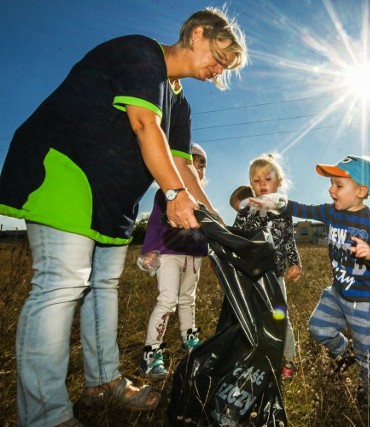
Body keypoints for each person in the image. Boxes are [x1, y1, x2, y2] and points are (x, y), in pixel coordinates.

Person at [0, 8, 247, 426]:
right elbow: (144, 125)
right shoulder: (141, 54)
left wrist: (215, 221)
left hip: (112, 199)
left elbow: (184, 165)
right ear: (198, 33)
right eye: (219, 58)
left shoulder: (181, 103)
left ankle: (101, 384)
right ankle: (44, 415)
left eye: (225, 68)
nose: (217, 71)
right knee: (60, 286)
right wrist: (173, 194)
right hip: (64, 171)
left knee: (103, 287)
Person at [255, 155, 370, 406]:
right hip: (338, 293)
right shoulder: (331, 212)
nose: (331, 190)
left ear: (361, 191)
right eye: (331, 184)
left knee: (369, 353)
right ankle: (345, 351)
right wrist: (278, 201)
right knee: (318, 328)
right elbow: (303, 209)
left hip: (366, 300)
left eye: (338, 185)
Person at [138, 143, 210, 380]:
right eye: (191, 164)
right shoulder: (166, 194)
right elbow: (154, 224)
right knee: (167, 299)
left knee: (188, 298)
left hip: (193, 256)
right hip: (169, 253)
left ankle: (189, 339)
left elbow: (207, 230)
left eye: (201, 165)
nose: (197, 169)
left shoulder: (200, 200)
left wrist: (209, 252)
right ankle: (151, 352)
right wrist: (149, 250)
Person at [233, 154, 302, 378]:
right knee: (251, 316)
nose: (262, 183)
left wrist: (295, 262)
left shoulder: (284, 210)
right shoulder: (246, 210)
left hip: (275, 276)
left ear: (279, 181)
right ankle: (255, 356)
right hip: (250, 276)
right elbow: (237, 238)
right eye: (256, 180)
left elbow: (289, 240)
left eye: (267, 178)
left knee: (280, 317)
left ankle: (289, 359)